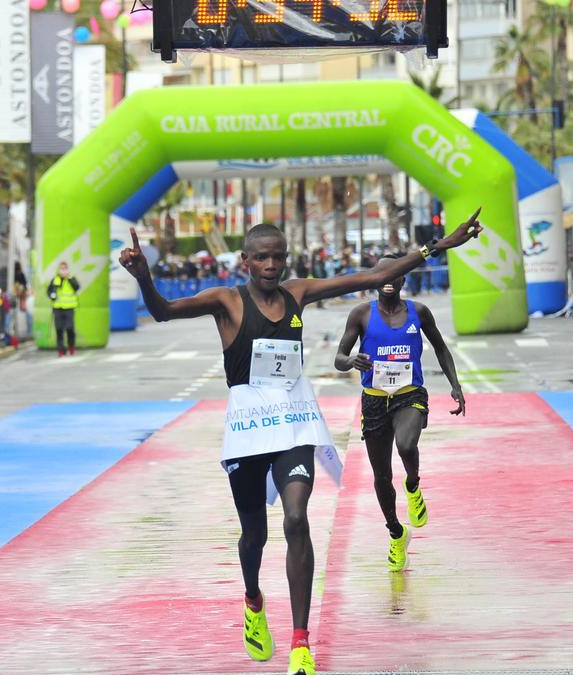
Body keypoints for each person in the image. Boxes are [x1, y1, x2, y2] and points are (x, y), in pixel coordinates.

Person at [118, 212, 482, 675]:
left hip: (294, 422)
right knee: (255, 536)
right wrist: (145, 278)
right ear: (245, 261)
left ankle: (300, 642)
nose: (273, 265)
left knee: (296, 518)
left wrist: (439, 245)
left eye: (280, 257)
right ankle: (253, 600)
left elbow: (376, 275)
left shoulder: (299, 294)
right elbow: (163, 311)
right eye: (263, 258)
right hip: (250, 427)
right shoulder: (226, 302)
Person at [333, 254, 465, 571]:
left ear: (404, 279)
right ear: (374, 280)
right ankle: (395, 532)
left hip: (410, 395)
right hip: (375, 400)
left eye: (396, 274)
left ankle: (414, 485)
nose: (389, 279)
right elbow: (339, 357)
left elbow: (441, 348)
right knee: (381, 476)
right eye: (382, 274)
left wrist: (455, 384)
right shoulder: (361, 314)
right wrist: (352, 362)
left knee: (406, 445)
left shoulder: (418, 312)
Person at [46, 261, 80, 356]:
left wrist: (68, 278)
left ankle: (71, 346)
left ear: (67, 269)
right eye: (61, 269)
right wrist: (51, 295)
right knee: (59, 329)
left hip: (69, 308)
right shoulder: (55, 280)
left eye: (65, 268)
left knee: (70, 328)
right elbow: (49, 291)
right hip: (58, 308)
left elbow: (77, 287)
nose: (63, 271)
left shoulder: (71, 278)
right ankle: (61, 350)